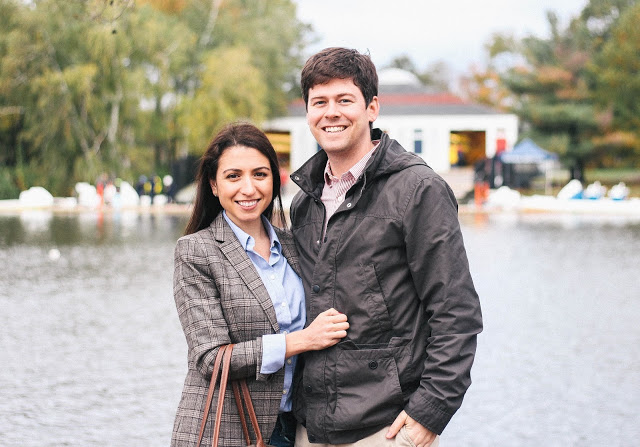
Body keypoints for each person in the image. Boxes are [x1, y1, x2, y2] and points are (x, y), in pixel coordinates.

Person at [288, 48, 483, 447]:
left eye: (345, 100)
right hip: (312, 427)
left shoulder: (417, 190)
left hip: (388, 428)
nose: (331, 113)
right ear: (307, 112)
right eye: (319, 102)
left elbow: (455, 310)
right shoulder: (303, 202)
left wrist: (429, 413)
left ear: (372, 107)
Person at [171, 122, 349, 447]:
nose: (249, 189)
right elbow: (211, 358)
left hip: (298, 427)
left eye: (260, 174)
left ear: (274, 180)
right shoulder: (196, 251)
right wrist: (302, 341)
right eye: (233, 176)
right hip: (226, 430)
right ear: (214, 184)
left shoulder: (295, 244)